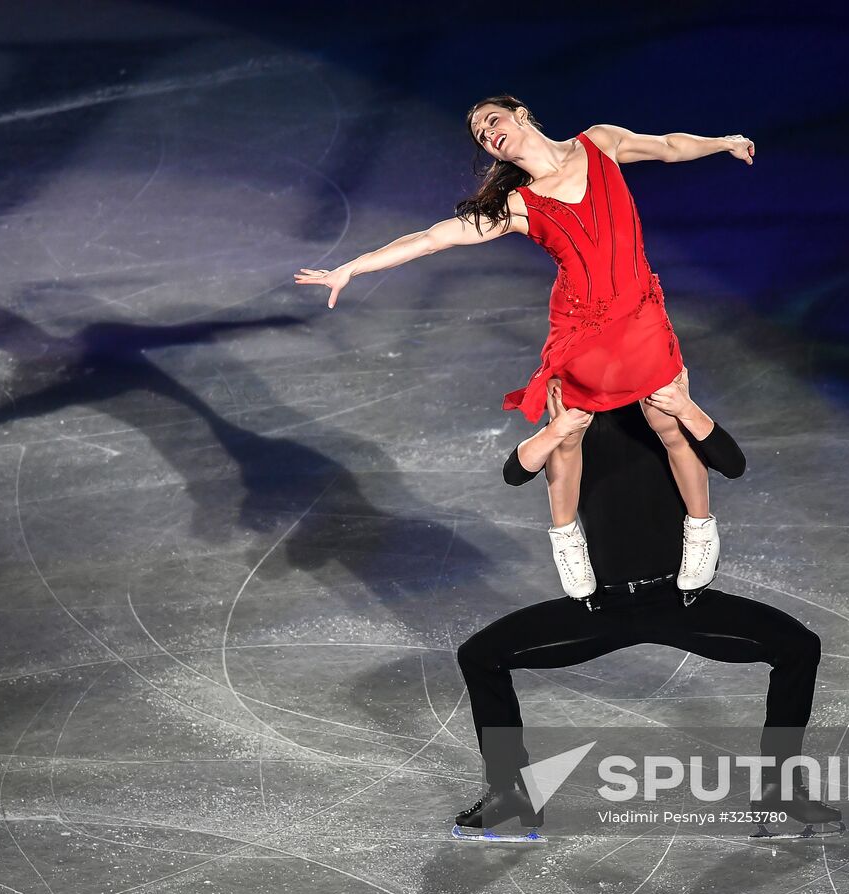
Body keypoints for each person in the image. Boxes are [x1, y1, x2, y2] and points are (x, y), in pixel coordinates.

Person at [295, 95, 756, 601]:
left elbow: (668, 147)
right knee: (567, 430)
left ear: (521, 116)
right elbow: (433, 238)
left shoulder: (599, 143)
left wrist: (724, 142)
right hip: (580, 325)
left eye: (492, 120)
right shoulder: (516, 205)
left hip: (640, 312)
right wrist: (351, 268)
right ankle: (566, 539)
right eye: (480, 135)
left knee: (668, 419)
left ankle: (699, 529)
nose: (488, 132)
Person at [451, 371, 843, 841]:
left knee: (798, 647)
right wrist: (556, 429)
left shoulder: (663, 401)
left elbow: (732, 464)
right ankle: (509, 795)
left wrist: (684, 406)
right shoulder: (579, 411)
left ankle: (780, 795)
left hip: (680, 599)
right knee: (480, 655)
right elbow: (515, 472)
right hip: (601, 607)